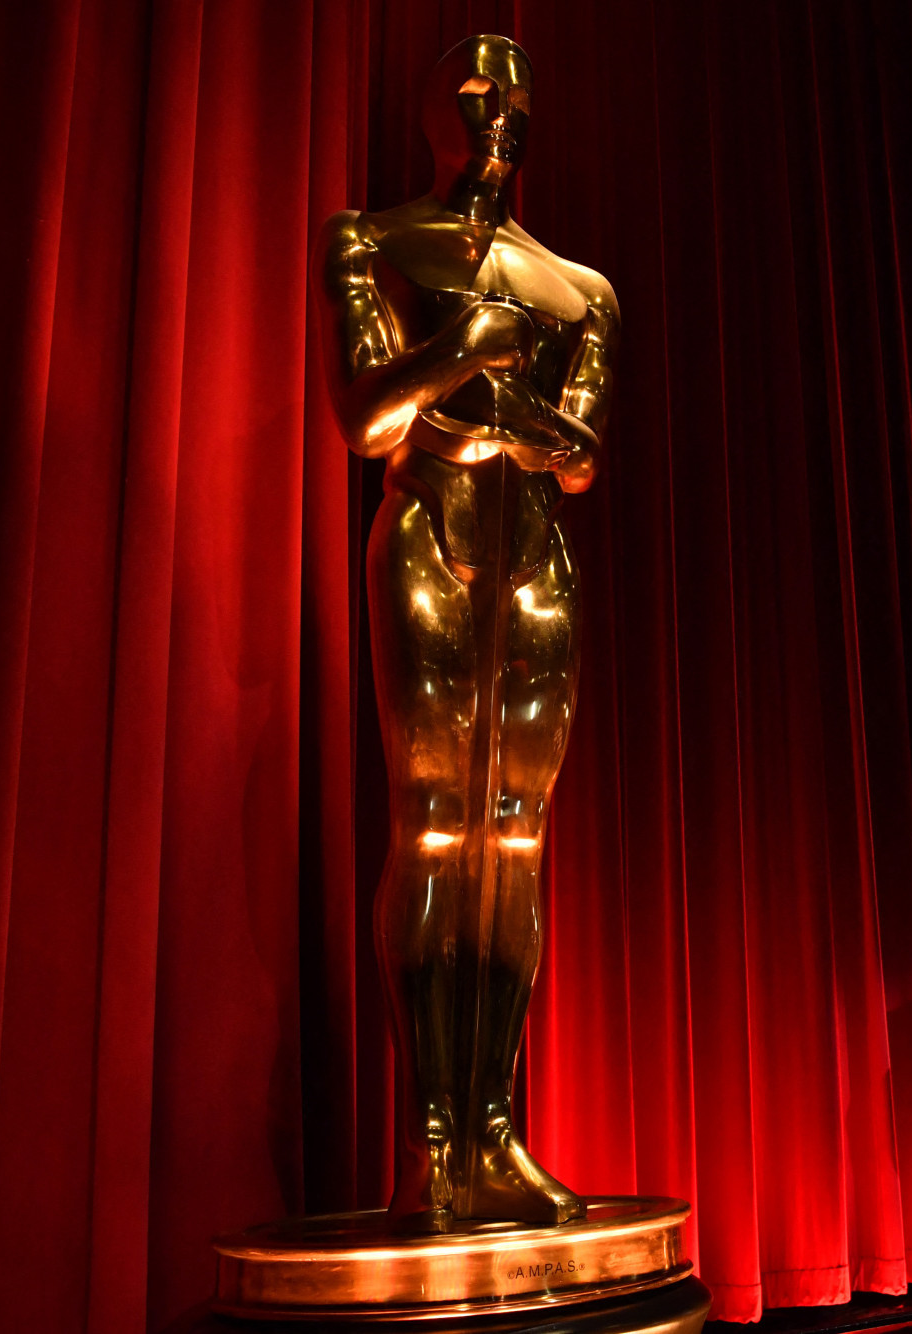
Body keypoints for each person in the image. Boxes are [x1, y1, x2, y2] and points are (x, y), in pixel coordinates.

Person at [315, 33, 618, 1231]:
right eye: (469, 89)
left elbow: (583, 457)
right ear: (438, 110)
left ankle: (497, 1130)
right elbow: (363, 417)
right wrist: (456, 354)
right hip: (430, 527)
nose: (490, 106)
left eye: (510, 91)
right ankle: (430, 1140)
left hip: (536, 552)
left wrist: (519, 402)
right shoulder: (373, 239)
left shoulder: (580, 286)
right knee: (436, 827)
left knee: (518, 839)